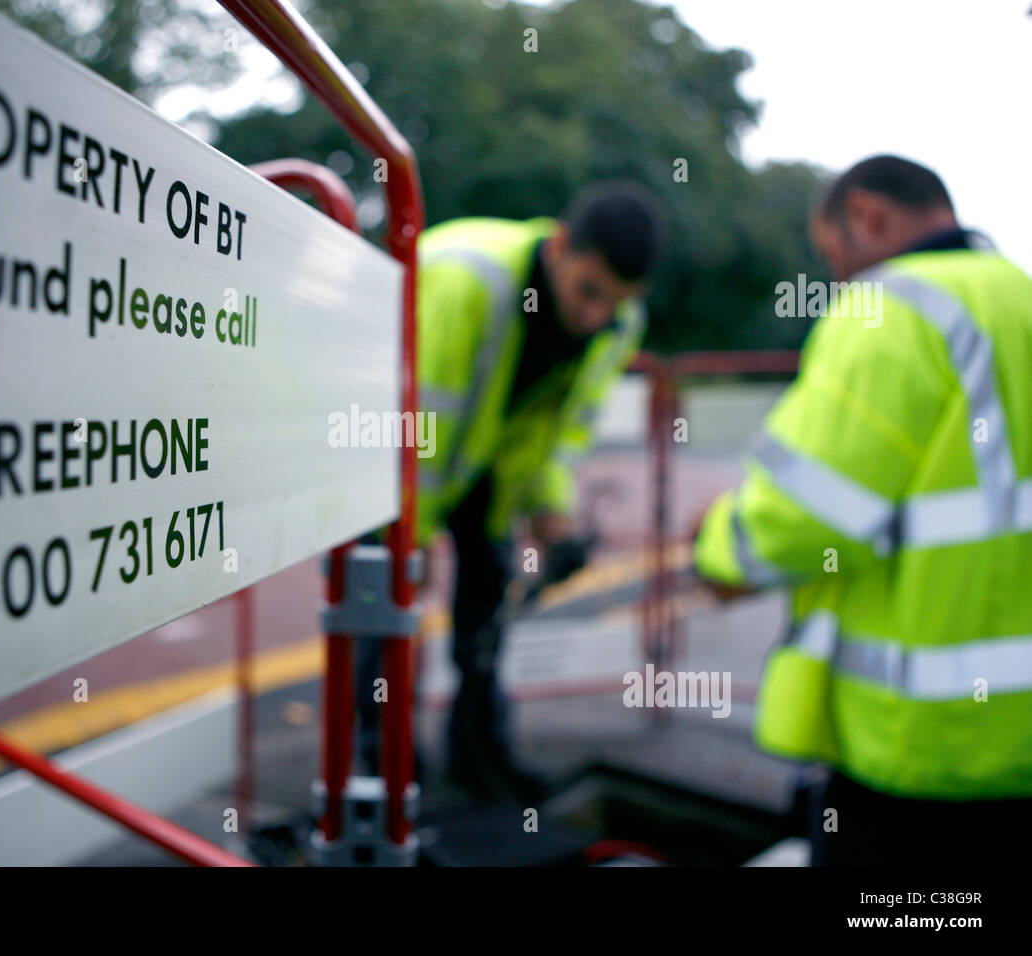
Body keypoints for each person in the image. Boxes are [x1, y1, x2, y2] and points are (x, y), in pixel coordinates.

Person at [693, 155, 1032, 866]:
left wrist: (718, 548)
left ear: (869, 217)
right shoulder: (1018, 294)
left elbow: (804, 513)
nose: (839, 278)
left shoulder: (892, 308)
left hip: (918, 750)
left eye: (832, 255)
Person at [357, 183, 664, 802]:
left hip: (482, 466)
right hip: (388, 460)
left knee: (486, 619)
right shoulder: (467, 281)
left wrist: (547, 503)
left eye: (619, 300)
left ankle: (479, 756)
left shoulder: (621, 321)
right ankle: (386, 773)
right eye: (589, 292)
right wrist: (404, 544)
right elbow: (416, 426)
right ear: (558, 248)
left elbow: (565, 421)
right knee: (384, 625)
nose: (596, 317)